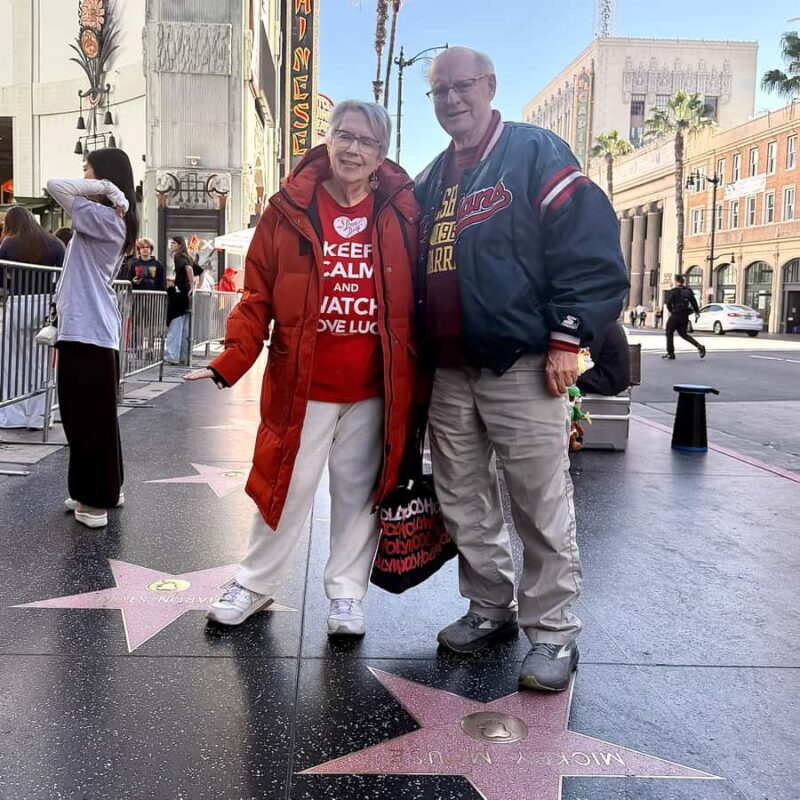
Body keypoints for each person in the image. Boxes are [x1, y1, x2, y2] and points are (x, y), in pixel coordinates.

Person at [415, 48, 628, 691]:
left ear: (491, 84)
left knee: (540, 501)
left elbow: (588, 247)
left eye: (463, 86)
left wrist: (568, 337)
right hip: (450, 370)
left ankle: (555, 632)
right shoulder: (430, 178)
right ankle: (490, 608)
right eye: (440, 91)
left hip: (524, 364)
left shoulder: (535, 151)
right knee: (462, 498)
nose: (452, 99)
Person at [185, 100, 418, 637]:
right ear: (328, 140)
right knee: (284, 485)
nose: (354, 149)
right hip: (302, 382)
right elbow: (256, 293)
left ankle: (345, 596)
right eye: (345, 136)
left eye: (367, 142)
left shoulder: (402, 211)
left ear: (382, 155)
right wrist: (231, 359)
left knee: (359, 494)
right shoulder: (288, 208)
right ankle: (255, 581)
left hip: (375, 386)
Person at [46, 147, 139, 528]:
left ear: (105, 176)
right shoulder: (110, 218)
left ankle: (93, 501)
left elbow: (53, 185)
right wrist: (111, 192)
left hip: (86, 330)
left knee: (82, 418)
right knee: (96, 417)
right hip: (93, 330)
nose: (82, 176)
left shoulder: (100, 215)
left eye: (88, 169)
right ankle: (105, 489)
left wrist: (107, 188)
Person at [0, 207, 66, 429]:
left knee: (13, 362)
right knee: (41, 361)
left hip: (19, 303)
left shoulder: (9, 243)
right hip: (46, 304)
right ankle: (39, 416)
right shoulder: (55, 243)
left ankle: (14, 415)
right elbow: (65, 275)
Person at [576, 321, 631, 397]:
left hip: (607, 381)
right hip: (612, 379)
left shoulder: (597, 325)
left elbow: (585, 358)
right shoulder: (606, 320)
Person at [164, 236, 194, 364]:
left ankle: (172, 355)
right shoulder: (187, 257)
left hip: (180, 293)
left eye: (173, 243)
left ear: (179, 244)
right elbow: (196, 270)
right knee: (184, 327)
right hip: (185, 294)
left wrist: (192, 286)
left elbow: (189, 269)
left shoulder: (179, 257)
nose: (171, 246)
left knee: (175, 326)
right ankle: (183, 356)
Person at [663, 274, 706, 360]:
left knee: (669, 332)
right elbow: (694, 302)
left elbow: (668, 304)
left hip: (675, 315)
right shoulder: (688, 291)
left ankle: (670, 353)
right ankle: (699, 346)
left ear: (676, 281)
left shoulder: (674, 291)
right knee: (683, 334)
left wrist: (672, 311)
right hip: (685, 316)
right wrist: (697, 311)